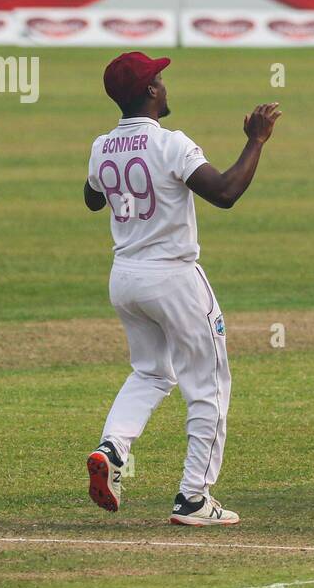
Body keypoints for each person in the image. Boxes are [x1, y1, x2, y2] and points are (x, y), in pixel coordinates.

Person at [83, 51, 280, 527]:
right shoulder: (170, 143)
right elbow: (226, 192)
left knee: (151, 373)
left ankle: (112, 448)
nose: (165, 86)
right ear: (150, 92)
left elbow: (92, 198)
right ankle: (193, 497)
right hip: (172, 276)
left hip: (125, 277)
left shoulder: (101, 145)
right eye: (161, 81)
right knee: (208, 384)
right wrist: (256, 141)